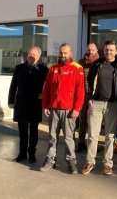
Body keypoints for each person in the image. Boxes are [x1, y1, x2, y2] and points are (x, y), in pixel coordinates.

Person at [81, 40, 117, 176]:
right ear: (104, 50)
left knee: (110, 136)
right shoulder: (97, 64)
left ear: (116, 51)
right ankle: (90, 162)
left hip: (113, 105)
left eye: (111, 50)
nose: (109, 52)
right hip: (96, 103)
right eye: (107, 50)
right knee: (92, 135)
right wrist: (90, 99)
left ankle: (108, 164)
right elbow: (89, 81)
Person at [40, 43, 85, 174]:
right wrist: (45, 105)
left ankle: (71, 161)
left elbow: (80, 91)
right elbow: (47, 89)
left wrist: (77, 108)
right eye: (61, 53)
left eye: (65, 53)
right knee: (52, 137)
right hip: (54, 108)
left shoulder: (77, 68)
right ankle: (50, 160)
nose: (62, 55)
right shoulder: (53, 69)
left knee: (68, 138)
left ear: (70, 53)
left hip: (69, 110)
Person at [8, 46, 48, 163]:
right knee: (22, 130)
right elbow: (13, 85)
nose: (31, 56)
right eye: (29, 54)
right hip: (21, 103)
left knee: (34, 131)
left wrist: (44, 95)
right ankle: (22, 153)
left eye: (34, 54)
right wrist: (11, 101)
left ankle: (31, 153)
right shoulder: (19, 68)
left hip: (35, 103)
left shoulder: (44, 70)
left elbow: (49, 86)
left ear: (39, 57)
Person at [76, 42, 99, 153]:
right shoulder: (81, 63)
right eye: (89, 50)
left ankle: (93, 145)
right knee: (82, 120)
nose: (90, 52)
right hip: (84, 95)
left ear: (96, 51)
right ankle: (81, 143)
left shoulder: (100, 62)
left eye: (92, 50)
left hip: (96, 96)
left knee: (94, 122)